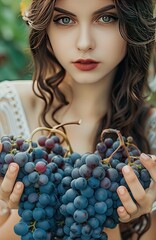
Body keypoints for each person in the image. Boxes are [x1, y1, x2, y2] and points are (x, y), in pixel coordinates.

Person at [0, 0, 156, 239]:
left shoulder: (151, 140)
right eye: (65, 20)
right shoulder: (4, 109)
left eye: (106, 18)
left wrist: (115, 217)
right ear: (45, 28)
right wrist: (20, 210)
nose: (85, 43)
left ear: (134, 23)